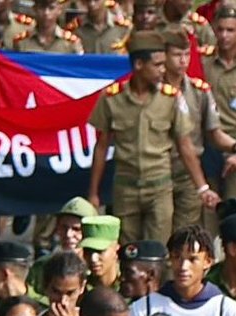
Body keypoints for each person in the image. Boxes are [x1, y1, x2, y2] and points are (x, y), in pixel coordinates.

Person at [88, 32, 217, 246]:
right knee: (127, 250)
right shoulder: (112, 98)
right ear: (139, 64)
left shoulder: (170, 98)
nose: (163, 70)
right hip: (125, 188)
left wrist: (202, 188)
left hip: (160, 187)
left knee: (158, 249)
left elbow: (185, 145)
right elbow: (101, 147)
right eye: (157, 65)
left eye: (164, 64)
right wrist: (93, 193)